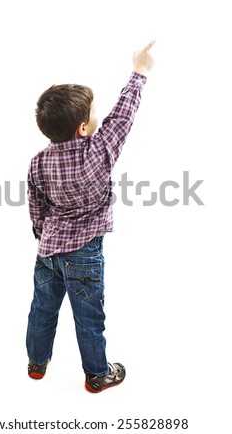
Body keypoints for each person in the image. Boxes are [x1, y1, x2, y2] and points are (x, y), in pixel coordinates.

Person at [26, 41, 155, 393]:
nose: (99, 116)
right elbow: (122, 117)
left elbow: (36, 206)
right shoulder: (98, 151)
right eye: (93, 113)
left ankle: (37, 362)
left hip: (48, 252)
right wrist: (139, 72)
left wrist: (43, 235)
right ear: (83, 128)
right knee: (89, 316)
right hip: (84, 253)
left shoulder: (38, 162)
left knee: (42, 308)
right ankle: (97, 374)